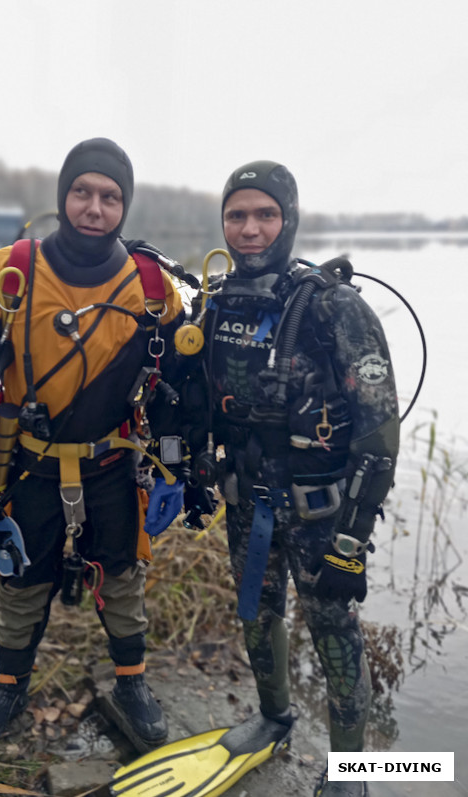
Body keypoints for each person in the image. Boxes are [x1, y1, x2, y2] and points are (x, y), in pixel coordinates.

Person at [0, 137, 187, 750]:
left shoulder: (153, 288)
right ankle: (8, 687)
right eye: (82, 192)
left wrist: (175, 469)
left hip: (115, 463)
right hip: (28, 465)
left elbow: (182, 391)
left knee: (124, 575)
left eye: (109, 197)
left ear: (124, 206)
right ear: (62, 195)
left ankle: (132, 682)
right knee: (21, 579)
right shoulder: (6, 274)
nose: (94, 208)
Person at [178, 161, 399, 797]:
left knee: (335, 634)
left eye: (265, 214)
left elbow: (379, 440)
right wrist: (192, 473)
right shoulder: (214, 307)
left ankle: (353, 769)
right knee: (255, 614)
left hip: (323, 514)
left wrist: (352, 543)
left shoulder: (336, 308)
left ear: (289, 219)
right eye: (237, 215)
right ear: (223, 222)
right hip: (246, 502)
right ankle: (274, 719)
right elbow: (195, 402)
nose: (250, 229)